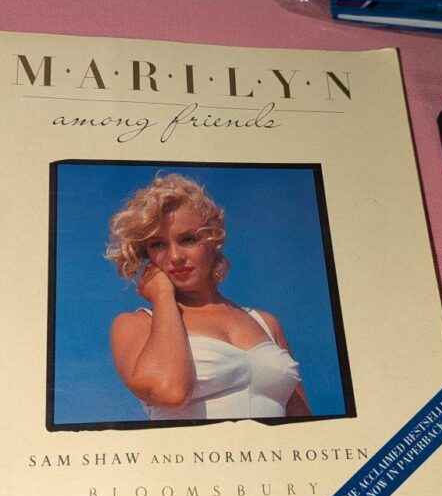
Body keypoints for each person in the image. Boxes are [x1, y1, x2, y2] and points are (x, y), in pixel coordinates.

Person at [106, 173, 310, 420]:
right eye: (158, 245)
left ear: (213, 240)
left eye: (188, 239)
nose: (175, 256)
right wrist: (162, 296)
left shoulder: (266, 323)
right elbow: (170, 392)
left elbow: (302, 420)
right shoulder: (136, 325)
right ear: (146, 254)